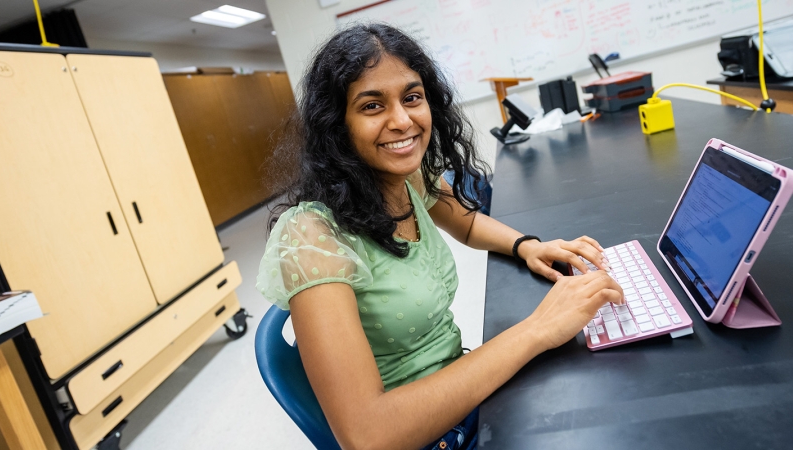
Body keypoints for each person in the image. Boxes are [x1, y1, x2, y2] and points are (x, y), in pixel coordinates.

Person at [257, 23, 623, 450]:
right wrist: (537, 330)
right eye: (372, 106)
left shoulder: (408, 178)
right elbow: (368, 437)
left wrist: (527, 245)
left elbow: (466, 222)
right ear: (337, 124)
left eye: (412, 98)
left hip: (459, 390)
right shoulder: (313, 236)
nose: (402, 120)